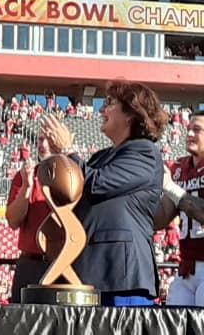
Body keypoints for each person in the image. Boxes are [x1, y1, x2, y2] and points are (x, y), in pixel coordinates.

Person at [42, 81, 167, 306]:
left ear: (131, 113)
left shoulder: (144, 153)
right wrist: (56, 163)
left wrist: (68, 151)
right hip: (89, 274)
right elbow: (73, 194)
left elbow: (96, 184)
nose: (101, 109)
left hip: (122, 276)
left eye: (109, 103)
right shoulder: (100, 157)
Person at [154, 111, 204, 306]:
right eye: (188, 129)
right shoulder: (179, 168)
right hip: (185, 269)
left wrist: (170, 187)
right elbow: (160, 218)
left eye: (197, 130)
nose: (189, 134)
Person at [6, 133, 53, 303]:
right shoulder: (25, 175)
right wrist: (26, 187)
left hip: (61, 263)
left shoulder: (73, 175)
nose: (43, 144)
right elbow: (13, 221)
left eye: (48, 138)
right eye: (40, 139)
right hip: (30, 264)